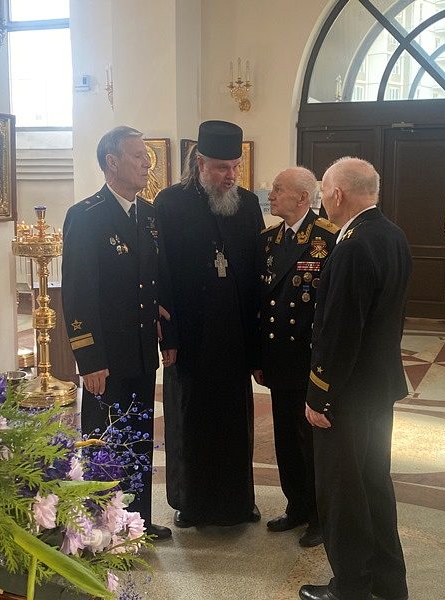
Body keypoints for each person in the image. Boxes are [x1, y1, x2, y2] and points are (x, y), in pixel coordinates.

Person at [299, 157, 412, 600]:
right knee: (374, 484)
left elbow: (339, 331)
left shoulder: (352, 246)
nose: (322, 201)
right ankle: (387, 580)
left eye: (323, 192)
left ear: (338, 193)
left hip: (346, 394)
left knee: (343, 492)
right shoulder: (392, 234)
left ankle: (349, 586)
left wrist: (319, 394)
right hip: (378, 388)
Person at [61, 125, 178, 540]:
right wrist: (89, 359)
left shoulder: (148, 214)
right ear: (112, 162)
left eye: (147, 157)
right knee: (105, 442)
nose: (147, 164)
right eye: (138, 156)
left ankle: (135, 522)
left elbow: (157, 282)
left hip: (142, 351)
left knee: (138, 438)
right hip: (107, 358)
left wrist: (169, 337)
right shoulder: (86, 216)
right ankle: (101, 530)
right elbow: (78, 294)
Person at [154, 120, 264, 527]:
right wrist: (169, 337)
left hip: (234, 333)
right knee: (190, 416)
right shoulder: (169, 203)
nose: (230, 176)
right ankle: (190, 502)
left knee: (235, 418)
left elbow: (259, 273)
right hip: (191, 334)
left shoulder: (247, 204)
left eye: (235, 167)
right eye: (221, 168)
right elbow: (161, 274)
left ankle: (239, 502)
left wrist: (257, 343)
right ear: (200, 163)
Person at [253, 167, 338, 548]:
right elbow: (260, 304)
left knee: (311, 442)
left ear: (303, 198)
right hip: (278, 357)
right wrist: (258, 357)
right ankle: (297, 505)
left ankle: (320, 516)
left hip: (308, 360)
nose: (270, 195)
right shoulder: (269, 240)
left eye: (278, 189)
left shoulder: (328, 238)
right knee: (286, 437)